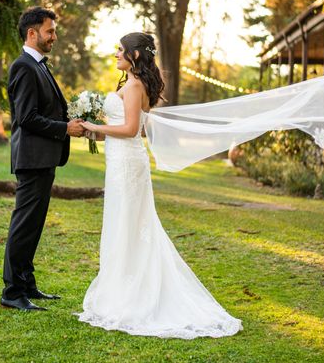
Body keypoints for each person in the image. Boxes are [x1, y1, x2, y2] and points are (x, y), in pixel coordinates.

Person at [77, 32, 242, 338]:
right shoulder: (131, 84)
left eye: (119, 50)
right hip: (122, 162)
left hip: (127, 164)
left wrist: (92, 126)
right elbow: (122, 128)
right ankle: (121, 288)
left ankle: (132, 296)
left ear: (134, 56)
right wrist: (93, 132)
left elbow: (128, 130)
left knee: (129, 224)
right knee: (124, 223)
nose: (115, 54)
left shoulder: (136, 85)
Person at [1, 7, 84, 312]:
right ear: (32, 33)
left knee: (34, 225)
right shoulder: (23, 66)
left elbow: (46, 109)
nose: (54, 36)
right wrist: (65, 129)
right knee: (24, 224)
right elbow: (26, 118)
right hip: (32, 158)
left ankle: (26, 284)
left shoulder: (41, 66)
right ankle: (12, 291)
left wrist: (73, 117)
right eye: (50, 31)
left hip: (43, 158)